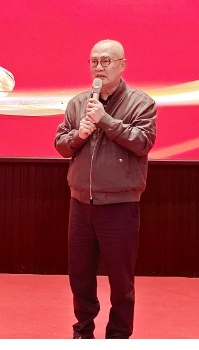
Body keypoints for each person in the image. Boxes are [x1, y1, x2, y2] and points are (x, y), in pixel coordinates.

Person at [54, 39, 157, 339]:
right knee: (80, 276)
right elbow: (60, 144)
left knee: (121, 280)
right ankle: (83, 332)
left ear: (122, 65)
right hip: (80, 204)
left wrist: (106, 120)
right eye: (94, 61)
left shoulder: (141, 103)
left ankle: (118, 336)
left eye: (106, 61)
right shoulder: (78, 103)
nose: (99, 67)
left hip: (120, 206)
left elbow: (143, 142)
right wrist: (78, 135)